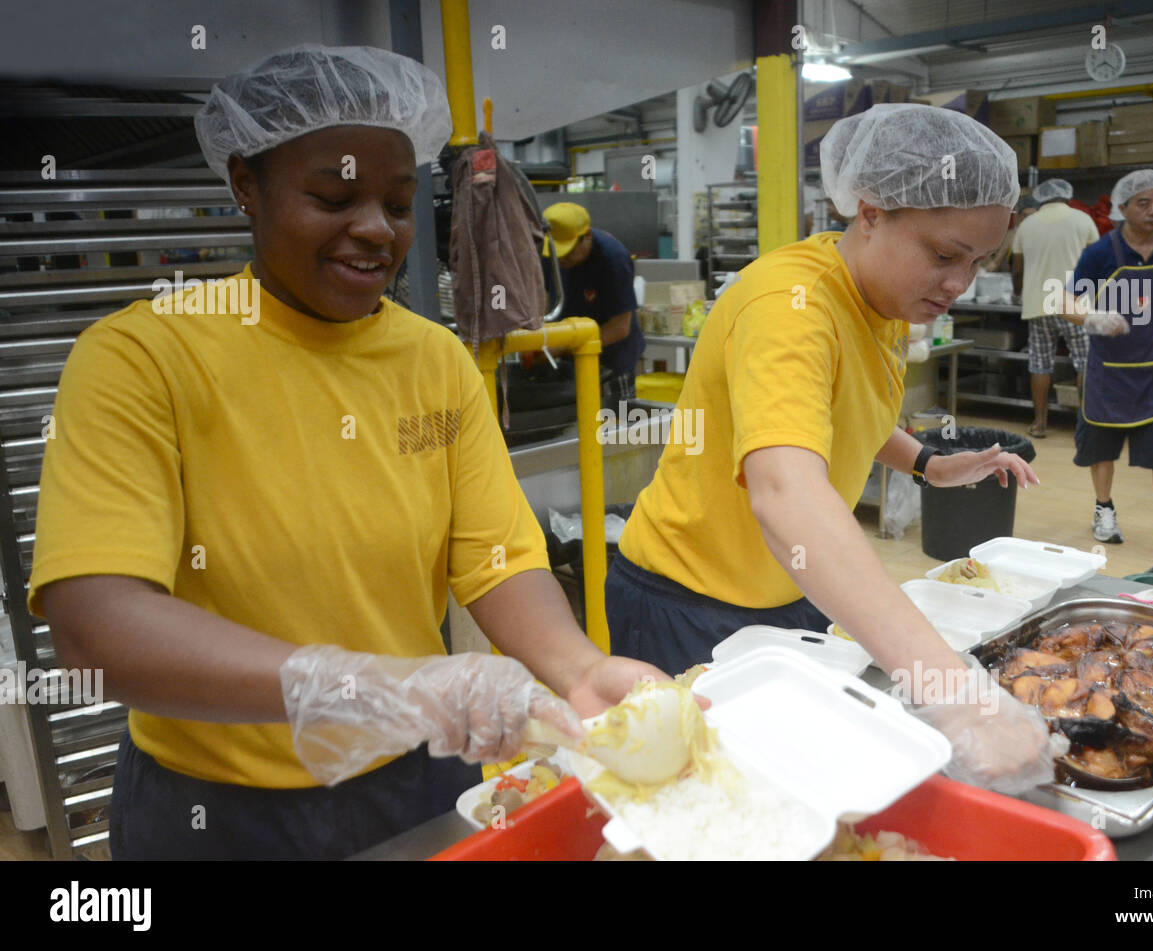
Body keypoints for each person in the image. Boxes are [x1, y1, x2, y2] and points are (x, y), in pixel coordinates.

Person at [27, 45, 668, 861]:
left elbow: (498, 558)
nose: (374, 228)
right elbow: (96, 628)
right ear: (245, 186)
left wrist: (578, 670)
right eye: (333, 196)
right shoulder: (143, 359)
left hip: (413, 780)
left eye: (399, 204)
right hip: (215, 809)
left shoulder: (432, 360)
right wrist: (363, 687)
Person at [609, 103, 1066, 795]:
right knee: (709, 805)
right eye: (943, 255)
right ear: (870, 211)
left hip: (789, 589)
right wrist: (953, 689)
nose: (958, 284)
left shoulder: (880, 300)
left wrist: (927, 462)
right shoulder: (788, 306)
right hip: (690, 600)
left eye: (978, 261)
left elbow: (833, 410)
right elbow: (787, 491)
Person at [1064, 169, 1153, 565]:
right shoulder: (1100, 253)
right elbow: (1066, 302)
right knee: (1102, 447)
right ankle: (1103, 509)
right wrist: (1092, 319)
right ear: (1122, 208)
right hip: (1109, 370)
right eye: (1144, 203)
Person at [1012, 179, 1099, 438]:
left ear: (1041, 198)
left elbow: (1017, 269)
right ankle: (1087, 425)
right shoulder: (1083, 220)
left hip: (1039, 304)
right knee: (1084, 363)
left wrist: (1019, 294)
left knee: (1040, 364)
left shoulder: (1027, 225)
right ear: (1067, 195)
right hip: (1075, 304)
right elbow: (1098, 263)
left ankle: (1039, 423)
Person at [542, 202, 645, 406]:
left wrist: (561, 345)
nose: (562, 259)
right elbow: (545, 300)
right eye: (558, 253)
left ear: (586, 236)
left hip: (612, 364)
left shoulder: (613, 259)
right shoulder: (552, 254)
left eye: (569, 251)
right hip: (571, 360)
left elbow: (620, 327)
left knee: (615, 431)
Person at [986, 194, 1038, 273]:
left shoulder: (1043, 235)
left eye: (1033, 216)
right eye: (1025, 215)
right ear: (1019, 216)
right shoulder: (1012, 236)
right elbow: (995, 263)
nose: (1029, 220)